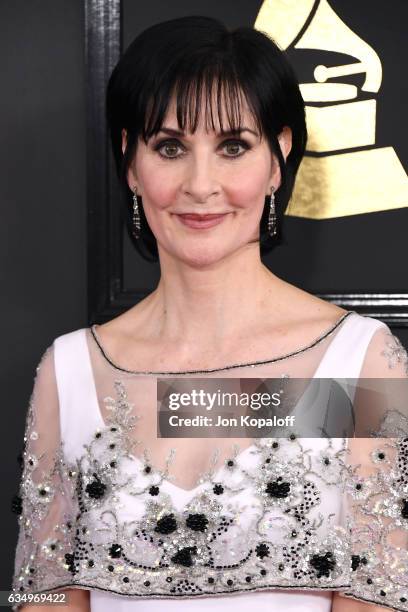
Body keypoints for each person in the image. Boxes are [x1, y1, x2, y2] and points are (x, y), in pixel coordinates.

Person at [11, 15, 408, 612]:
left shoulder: (357, 362)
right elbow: (42, 596)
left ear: (278, 158)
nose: (201, 184)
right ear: (130, 162)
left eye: (232, 147)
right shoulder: (68, 371)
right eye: (170, 147)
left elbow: (379, 597)